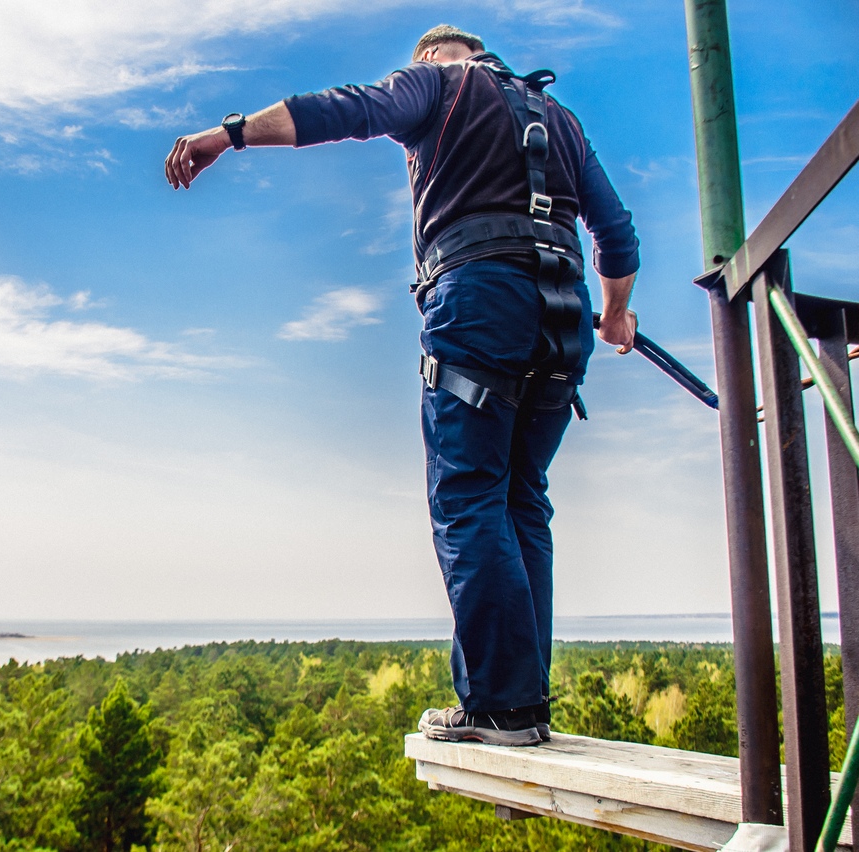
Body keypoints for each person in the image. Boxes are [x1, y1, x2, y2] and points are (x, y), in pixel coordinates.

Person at [165, 25, 639, 746]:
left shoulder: (437, 84)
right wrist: (613, 315)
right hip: (565, 316)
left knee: (469, 495)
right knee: (522, 500)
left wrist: (228, 134)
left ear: (434, 57)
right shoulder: (562, 120)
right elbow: (617, 235)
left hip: (481, 300)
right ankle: (522, 702)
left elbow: (341, 110)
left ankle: (501, 707)